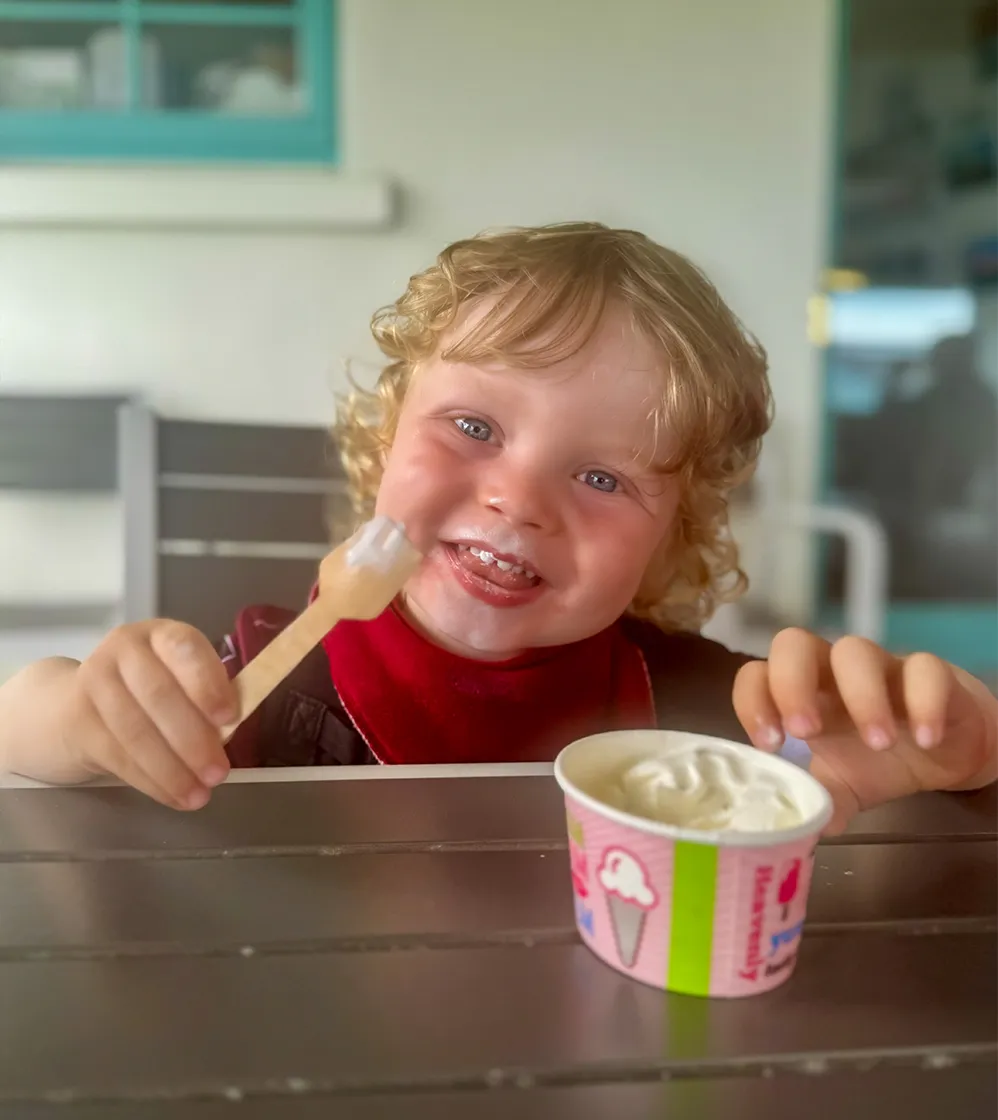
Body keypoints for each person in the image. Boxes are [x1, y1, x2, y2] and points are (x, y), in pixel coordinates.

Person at [0, 224, 993, 835]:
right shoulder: (264, 685)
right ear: (385, 439)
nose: (517, 499)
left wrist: (951, 756)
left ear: (670, 534)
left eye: (600, 475)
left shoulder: (707, 715)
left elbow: (827, 795)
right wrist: (86, 717)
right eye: (472, 426)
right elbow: (21, 724)